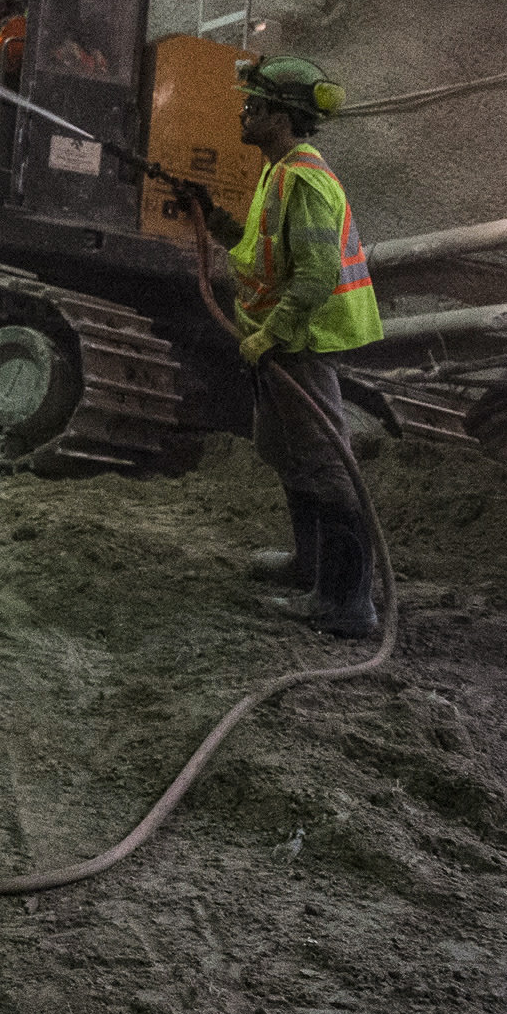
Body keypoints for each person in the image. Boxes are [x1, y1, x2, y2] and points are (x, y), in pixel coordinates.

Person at [209, 54, 384, 639]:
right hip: (283, 343)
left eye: (253, 104)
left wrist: (270, 335)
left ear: (283, 116)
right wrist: (217, 224)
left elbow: (314, 276)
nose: (243, 109)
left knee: (326, 466)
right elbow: (269, 251)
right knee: (285, 451)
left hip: (300, 343)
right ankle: (309, 566)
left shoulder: (303, 179)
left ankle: (345, 604)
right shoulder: (278, 169)